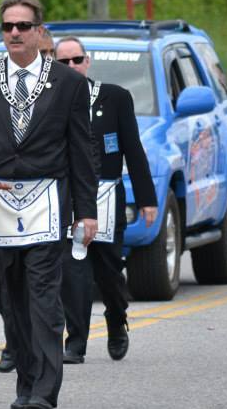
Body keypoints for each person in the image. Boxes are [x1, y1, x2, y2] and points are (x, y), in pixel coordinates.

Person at [0, 0, 99, 409]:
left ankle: (45, 392)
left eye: (23, 26)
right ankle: (26, 381)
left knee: (43, 295)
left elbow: (81, 150)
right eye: (8, 26)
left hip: (48, 198)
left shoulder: (69, 84)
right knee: (11, 298)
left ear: (39, 31)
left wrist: (86, 212)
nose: (14, 32)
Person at [53, 37, 157, 365]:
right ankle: (76, 342)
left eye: (77, 59)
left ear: (87, 61)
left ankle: (116, 319)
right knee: (74, 273)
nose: (72, 66)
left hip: (107, 193)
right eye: (64, 62)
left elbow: (133, 149)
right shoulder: (51, 99)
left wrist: (147, 198)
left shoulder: (115, 97)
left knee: (109, 273)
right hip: (70, 195)